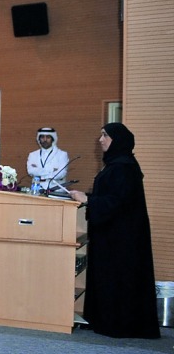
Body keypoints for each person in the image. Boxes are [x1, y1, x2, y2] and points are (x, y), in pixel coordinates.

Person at [68, 124, 159, 339]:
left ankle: (118, 325)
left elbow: (118, 202)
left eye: (105, 135)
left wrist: (88, 199)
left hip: (122, 237)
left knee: (118, 278)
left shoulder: (123, 167)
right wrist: (87, 196)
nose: (100, 140)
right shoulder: (117, 164)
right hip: (114, 234)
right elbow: (111, 194)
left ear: (117, 140)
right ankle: (104, 319)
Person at [26, 127, 70, 192]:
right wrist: (52, 170)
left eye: (48, 137)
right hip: (37, 189)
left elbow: (61, 174)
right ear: (39, 139)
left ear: (53, 139)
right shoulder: (32, 155)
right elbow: (30, 171)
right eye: (42, 137)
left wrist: (39, 173)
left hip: (56, 190)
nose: (45, 140)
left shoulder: (62, 154)